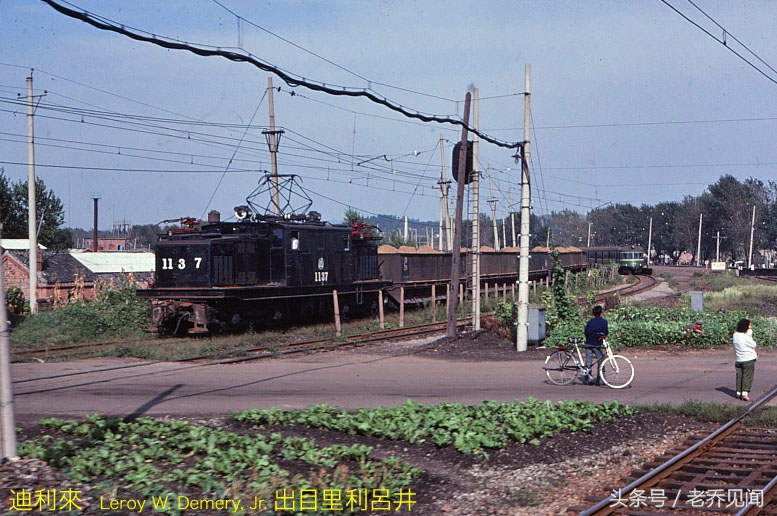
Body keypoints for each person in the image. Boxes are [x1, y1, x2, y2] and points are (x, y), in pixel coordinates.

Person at [733, 318, 757, 402]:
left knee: (739, 376)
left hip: (739, 359)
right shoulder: (746, 337)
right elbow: (753, 344)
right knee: (747, 376)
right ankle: (745, 393)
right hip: (748, 359)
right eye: (749, 325)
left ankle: (738, 392)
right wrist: (749, 334)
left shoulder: (735, 335)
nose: (750, 327)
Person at [584, 305, 608, 385]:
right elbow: (605, 333)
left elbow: (586, 332)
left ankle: (588, 379)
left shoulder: (590, 321)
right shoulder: (604, 322)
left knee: (588, 362)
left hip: (588, 343)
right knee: (601, 362)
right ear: (601, 313)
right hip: (597, 344)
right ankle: (600, 380)